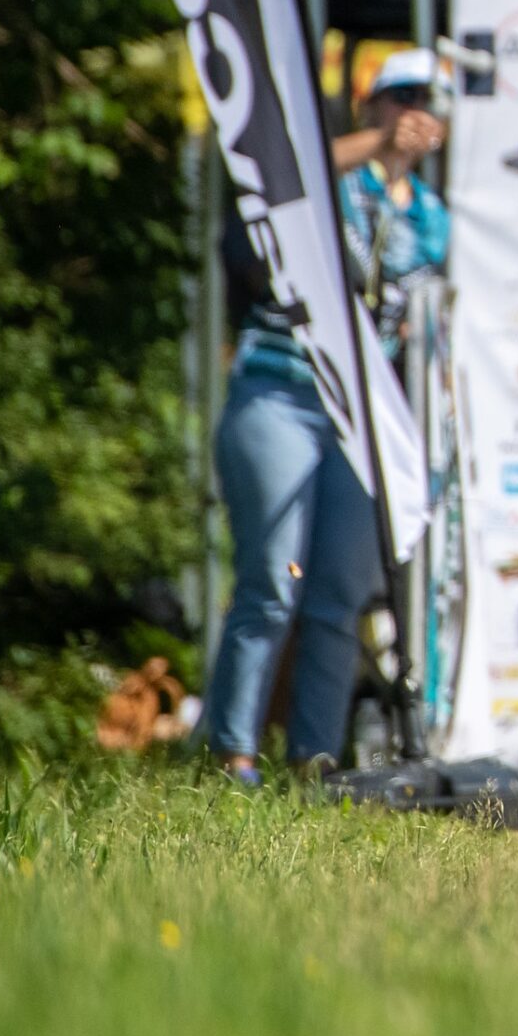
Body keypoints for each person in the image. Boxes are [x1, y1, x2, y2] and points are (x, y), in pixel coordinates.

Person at [202, 48, 449, 781]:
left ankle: (316, 763)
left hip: (361, 419)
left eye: (426, 100)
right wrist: (376, 148)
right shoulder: (332, 179)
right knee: (272, 582)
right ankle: (232, 757)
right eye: (396, 97)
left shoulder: (434, 219)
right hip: (279, 392)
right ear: (369, 106)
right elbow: (281, 182)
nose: (411, 111)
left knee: (338, 595)